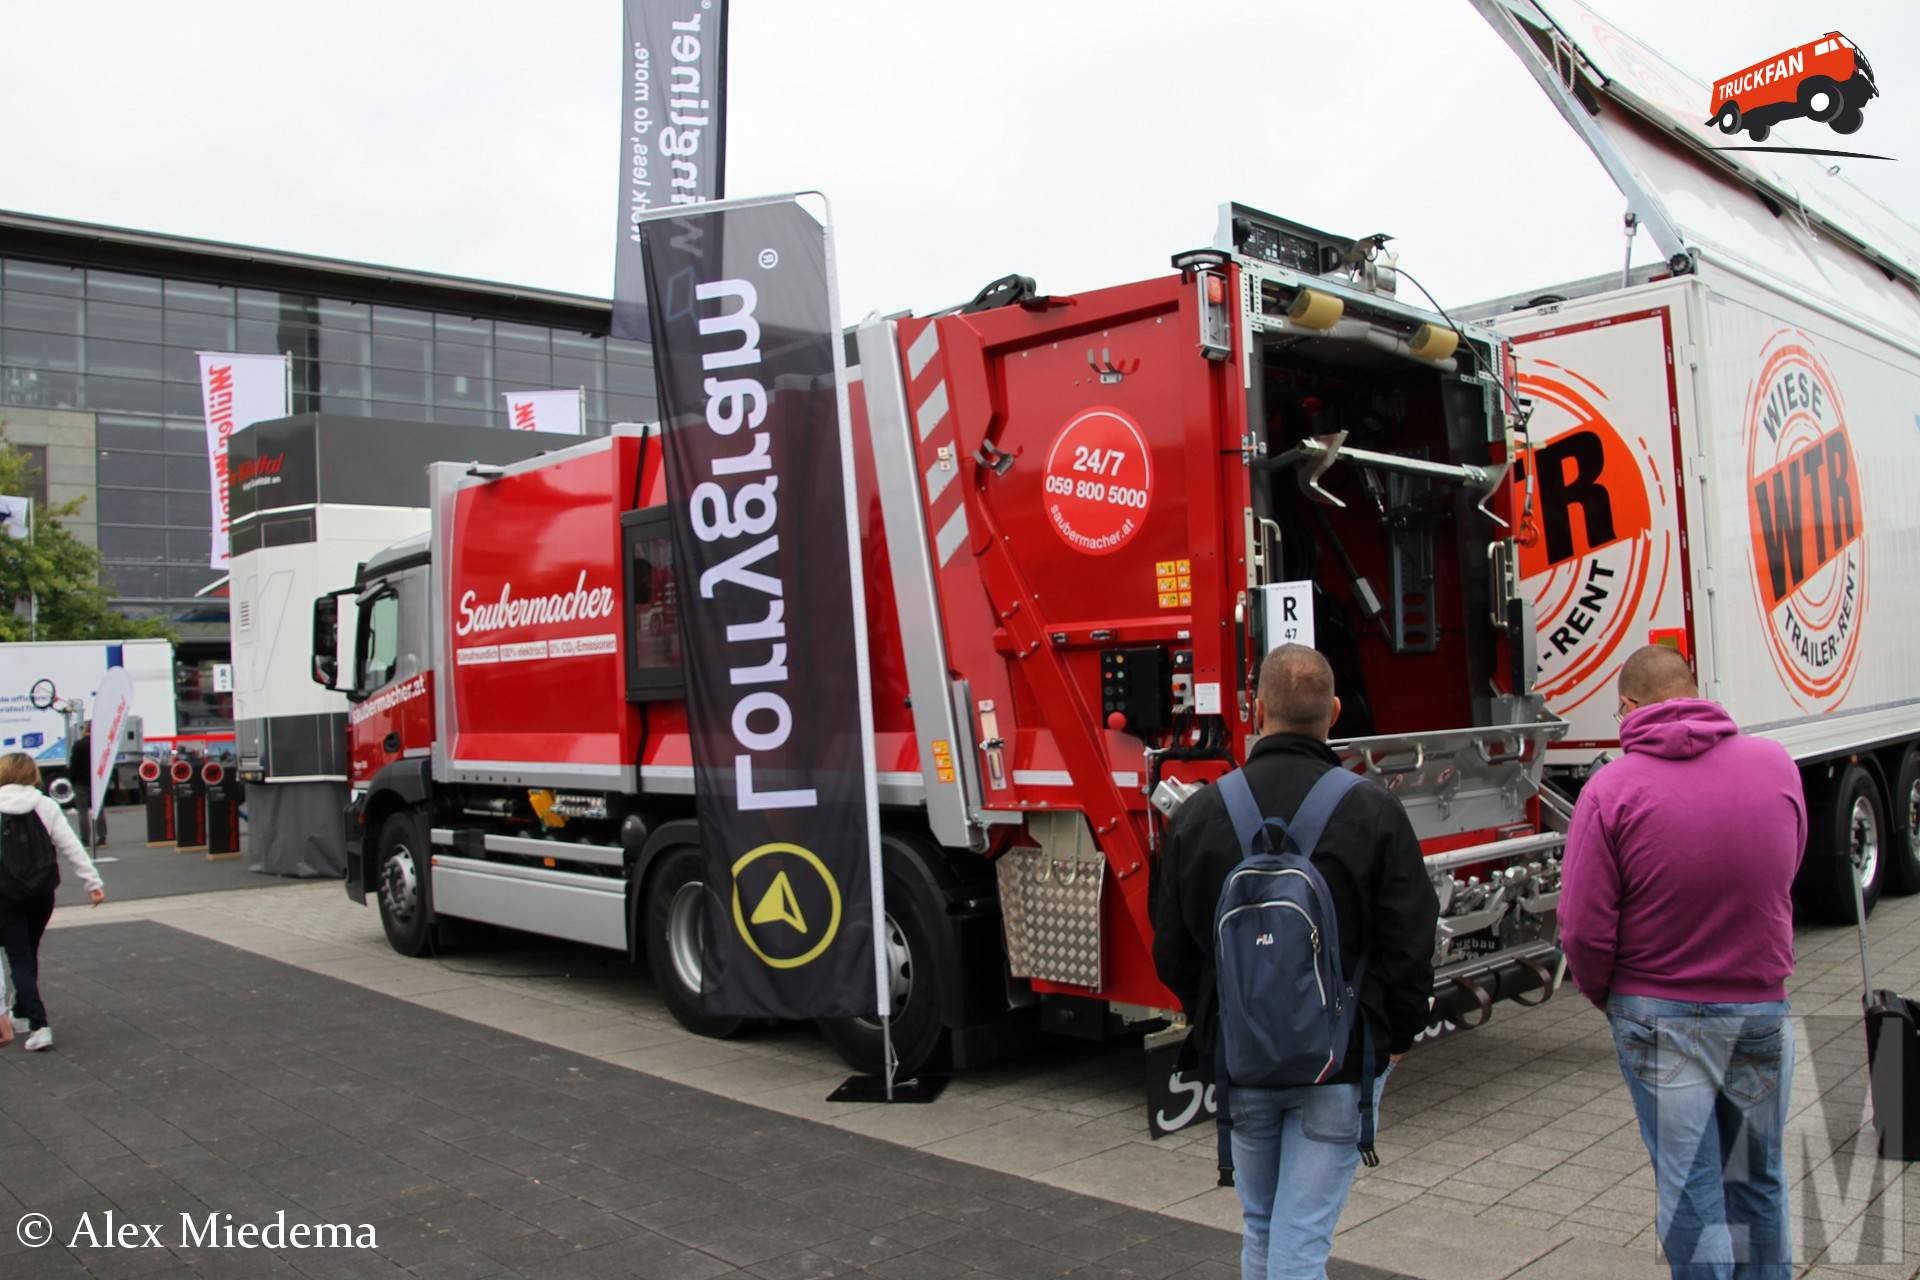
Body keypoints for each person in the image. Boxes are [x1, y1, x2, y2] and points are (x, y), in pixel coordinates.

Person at [1152, 645, 1438, 1280]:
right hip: (1341, 1057)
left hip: (1242, 1057)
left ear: (1256, 709)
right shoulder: (1373, 810)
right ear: (1334, 713)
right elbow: (1412, 939)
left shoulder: (1199, 814)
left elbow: (1170, 947)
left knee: (1264, 1227)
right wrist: (1398, 1035)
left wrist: (1216, 1016)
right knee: (1302, 1237)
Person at [1560, 645, 1804, 1280]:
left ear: (1631, 708)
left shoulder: (1609, 789)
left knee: (1691, 1187)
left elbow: (1583, 927)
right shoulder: (1775, 765)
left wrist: (1608, 996)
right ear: (1694, 692)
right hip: (1758, 1008)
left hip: (1655, 1012)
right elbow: (1784, 868)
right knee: (1757, 1180)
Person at [0, 752, 106, 1051]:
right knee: (28, 953)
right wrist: (92, 882)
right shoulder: (45, 804)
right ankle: (22, 1012)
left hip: (5, 895)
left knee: (19, 958)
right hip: (41, 894)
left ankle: (39, 1024)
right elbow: (71, 845)